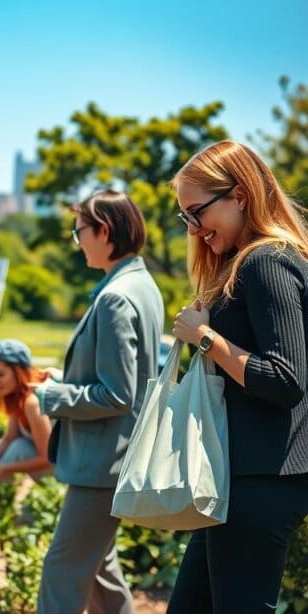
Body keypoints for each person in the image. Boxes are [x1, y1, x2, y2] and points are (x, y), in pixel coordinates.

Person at [169, 140, 308, 612]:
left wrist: (205, 337)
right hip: (239, 477)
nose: (192, 228)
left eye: (197, 212)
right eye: (184, 217)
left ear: (240, 196)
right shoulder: (245, 263)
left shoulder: (267, 261)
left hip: (263, 478)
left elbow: (285, 379)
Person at [34, 190, 164, 614]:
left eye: (79, 232)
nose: (78, 242)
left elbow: (117, 394)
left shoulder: (114, 297)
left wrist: (54, 395)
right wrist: (67, 378)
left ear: (104, 231)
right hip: (117, 458)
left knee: (62, 572)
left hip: (102, 465)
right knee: (102, 576)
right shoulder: (142, 285)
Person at [0, 339, 54, 488]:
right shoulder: (18, 398)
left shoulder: (32, 403)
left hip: (64, 472)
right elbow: (8, 438)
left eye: (0, 375)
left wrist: (3, 469)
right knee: (15, 446)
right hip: (49, 467)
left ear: (19, 372)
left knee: (19, 448)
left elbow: (47, 458)